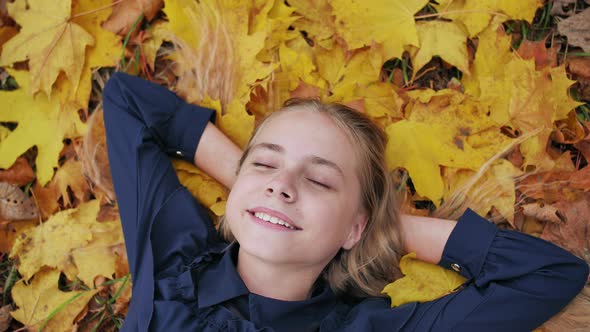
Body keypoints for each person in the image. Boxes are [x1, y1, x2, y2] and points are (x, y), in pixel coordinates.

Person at [102, 72, 588, 332]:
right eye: (266, 164)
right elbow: (126, 100)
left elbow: (549, 276)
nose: (282, 183)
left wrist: (385, 228)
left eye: (318, 180)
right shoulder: (173, 256)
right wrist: (256, 190)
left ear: (354, 228)